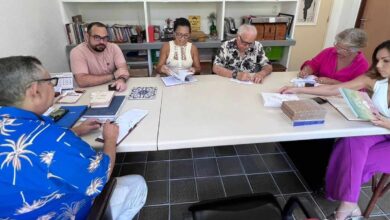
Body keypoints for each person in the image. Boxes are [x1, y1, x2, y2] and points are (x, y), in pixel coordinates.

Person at [0, 56, 147, 219]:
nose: (54, 88)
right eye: (50, 82)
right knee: (138, 184)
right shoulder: (53, 139)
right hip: (62, 212)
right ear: (34, 90)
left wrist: (75, 131)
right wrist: (110, 139)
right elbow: (100, 175)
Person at [280, 40, 390, 220]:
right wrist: (297, 89)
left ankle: (344, 208)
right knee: (349, 141)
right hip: (378, 131)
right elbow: (334, 89)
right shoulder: (375, 79)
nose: (378, 65)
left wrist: (387, 123)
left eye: (386, 61)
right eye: (377, 60)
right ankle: (350, 208)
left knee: (357, 161)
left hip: (385, 130)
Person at [70, 22, 130, 92]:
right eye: (97, 37)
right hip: (89, 91)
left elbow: (123, 69)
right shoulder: (77, 52)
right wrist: (113, 75)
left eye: (105, 38)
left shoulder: (113, 47)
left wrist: (121, 80)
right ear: (87, 37)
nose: (102, 42)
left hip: (112, 89)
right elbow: (82, 81)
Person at [299, 28, 369, 85]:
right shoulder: (328, 52)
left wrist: (333, 82)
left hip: (339, 98)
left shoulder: (362, 64)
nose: (337, 50)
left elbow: (358, 89)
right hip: (318, 90)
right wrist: (306, 71)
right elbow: (313, 64)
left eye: (343, 49)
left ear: (354, 50)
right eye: (337, 46)